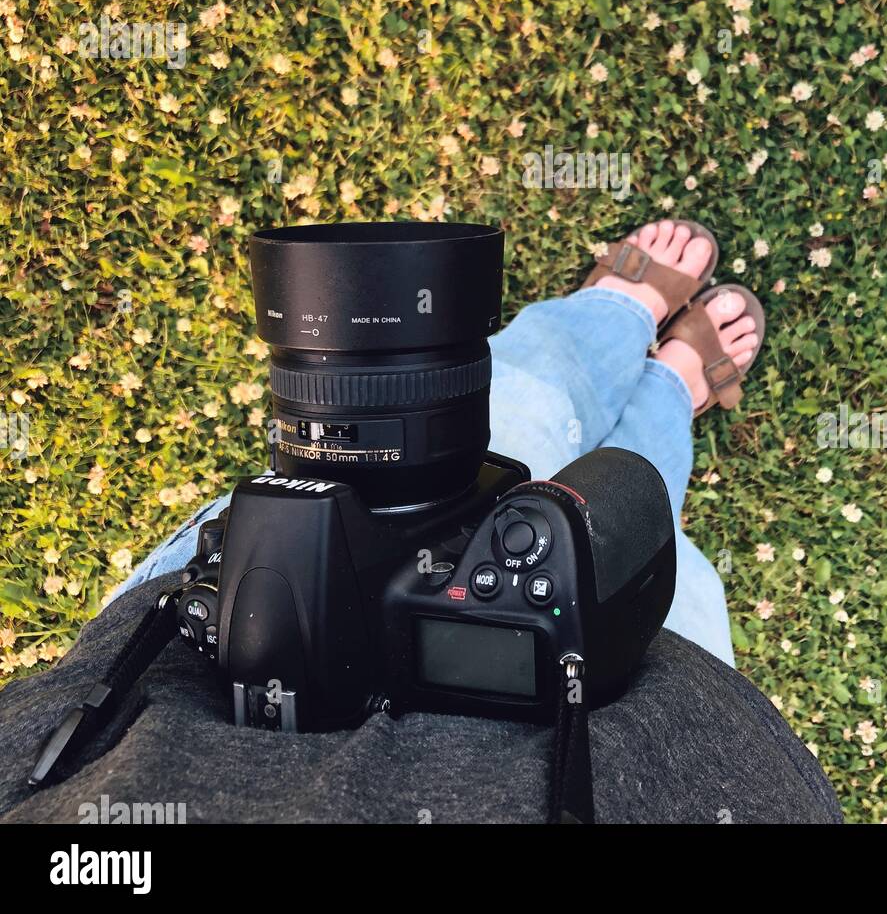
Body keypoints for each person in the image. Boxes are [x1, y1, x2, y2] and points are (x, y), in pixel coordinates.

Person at [0, 221, 842, 824]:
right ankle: (669, 384)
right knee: (648, 546)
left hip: (203, 658)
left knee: (512, 408)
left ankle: (617, 315)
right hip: (650, 732)